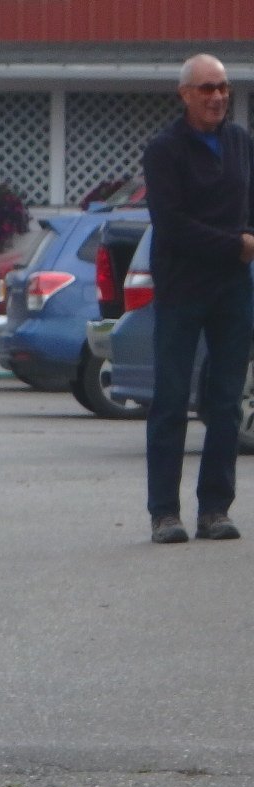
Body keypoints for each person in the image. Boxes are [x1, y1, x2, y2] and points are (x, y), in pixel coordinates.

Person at [141, 54, 254, 543]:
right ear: (185, 94)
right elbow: (172, 224)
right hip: (182, 288)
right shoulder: (164, 150)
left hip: (233, 289)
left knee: (226, 403)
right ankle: (165, 513)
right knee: (170, 401)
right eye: (207, 88)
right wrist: (235, 245)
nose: (217, 97)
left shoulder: (240, 142)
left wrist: (246, 240)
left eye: (223, 87)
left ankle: (215, 509)